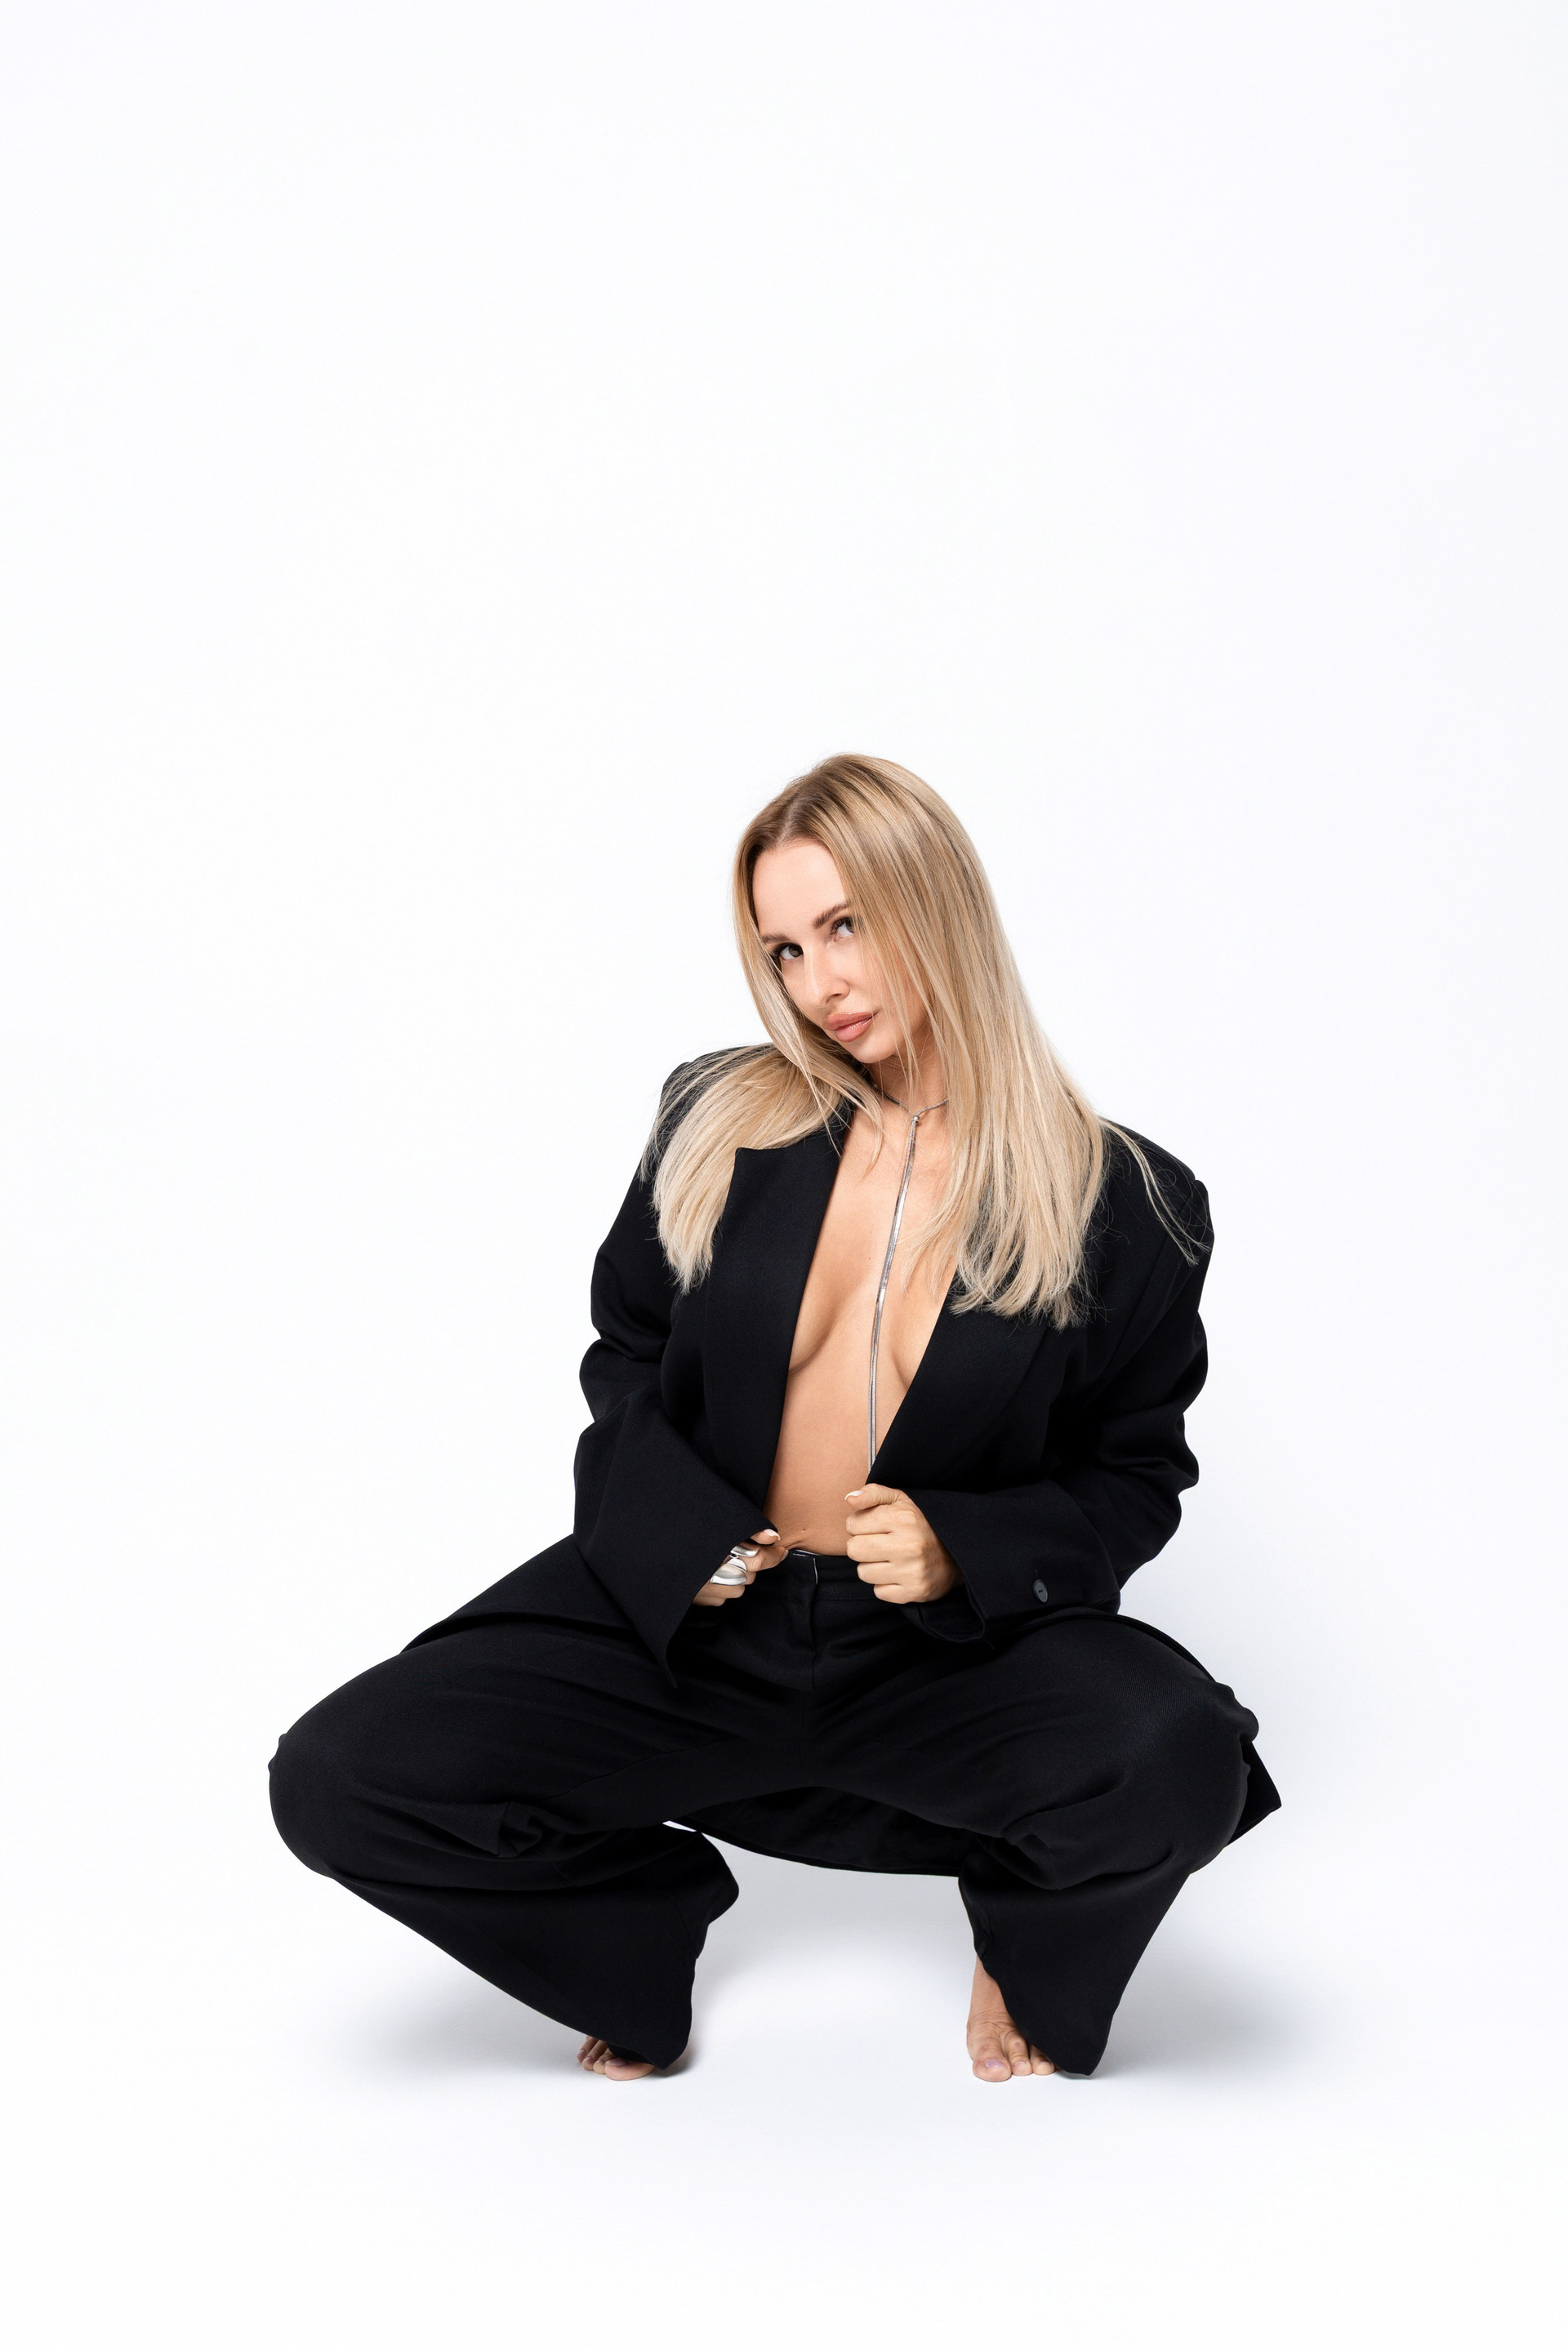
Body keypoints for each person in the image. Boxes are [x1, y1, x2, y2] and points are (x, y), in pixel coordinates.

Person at [270, 754, 1278, 2083]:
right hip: (698, 1625)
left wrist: (964, 1549)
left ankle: (1024, 1924)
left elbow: (1134, 1474)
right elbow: (627, 1354)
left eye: (846, 926)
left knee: (1181, 1758)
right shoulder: (718, 1117)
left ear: (938, 901)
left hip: (937, 1654)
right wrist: (675, 1534)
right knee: (339, 1776)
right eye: (786, 949)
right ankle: (641, 1933)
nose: (820, 985)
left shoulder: (1126, 1199)